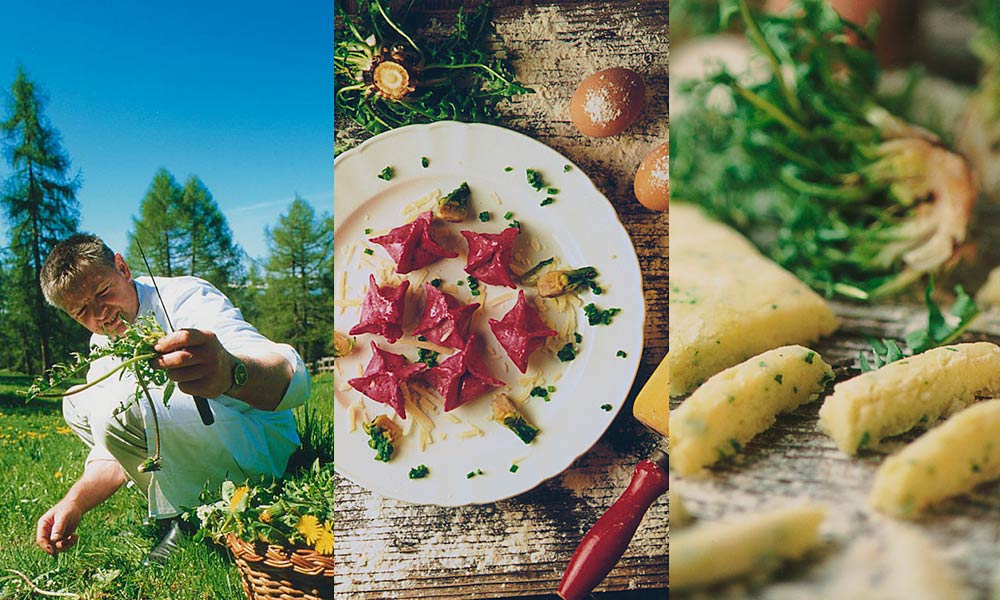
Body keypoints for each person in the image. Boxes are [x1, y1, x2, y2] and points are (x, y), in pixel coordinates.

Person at [33, 234, 310, 562]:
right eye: (82, 311)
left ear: (122, 268)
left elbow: (292, 376)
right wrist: (74, 502)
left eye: (103, 293)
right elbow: (114, 443)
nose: (101, 315)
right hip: (204, 438)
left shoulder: (185, 297)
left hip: (259, 445)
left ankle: (194, 515)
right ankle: (185, 509)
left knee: (115, 406)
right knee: (77, 402)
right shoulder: (102, 342)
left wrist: (229, 370)